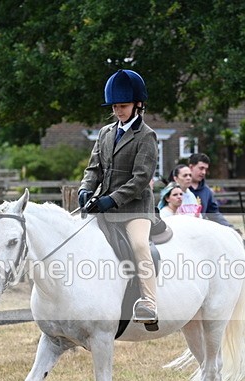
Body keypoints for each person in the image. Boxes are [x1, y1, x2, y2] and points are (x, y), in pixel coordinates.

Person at [78, 69, 158, 324]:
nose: (118, 111)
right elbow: (94, 168)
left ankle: (149, 303)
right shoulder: (105, 133)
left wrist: (112, 199)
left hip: (135, 207)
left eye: (123, 106)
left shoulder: (146, 136)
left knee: (139, 245)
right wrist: (85, 189)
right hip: (105, 205)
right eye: (115, 106)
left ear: (138, 105)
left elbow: (141, 178)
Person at [188, 153, 234, 228]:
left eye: (206, 169)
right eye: (201, 168)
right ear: (191, 167)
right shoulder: (178, 190)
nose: (204, 172)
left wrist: (230, 228)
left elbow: (214, 214)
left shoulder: (206, 191)